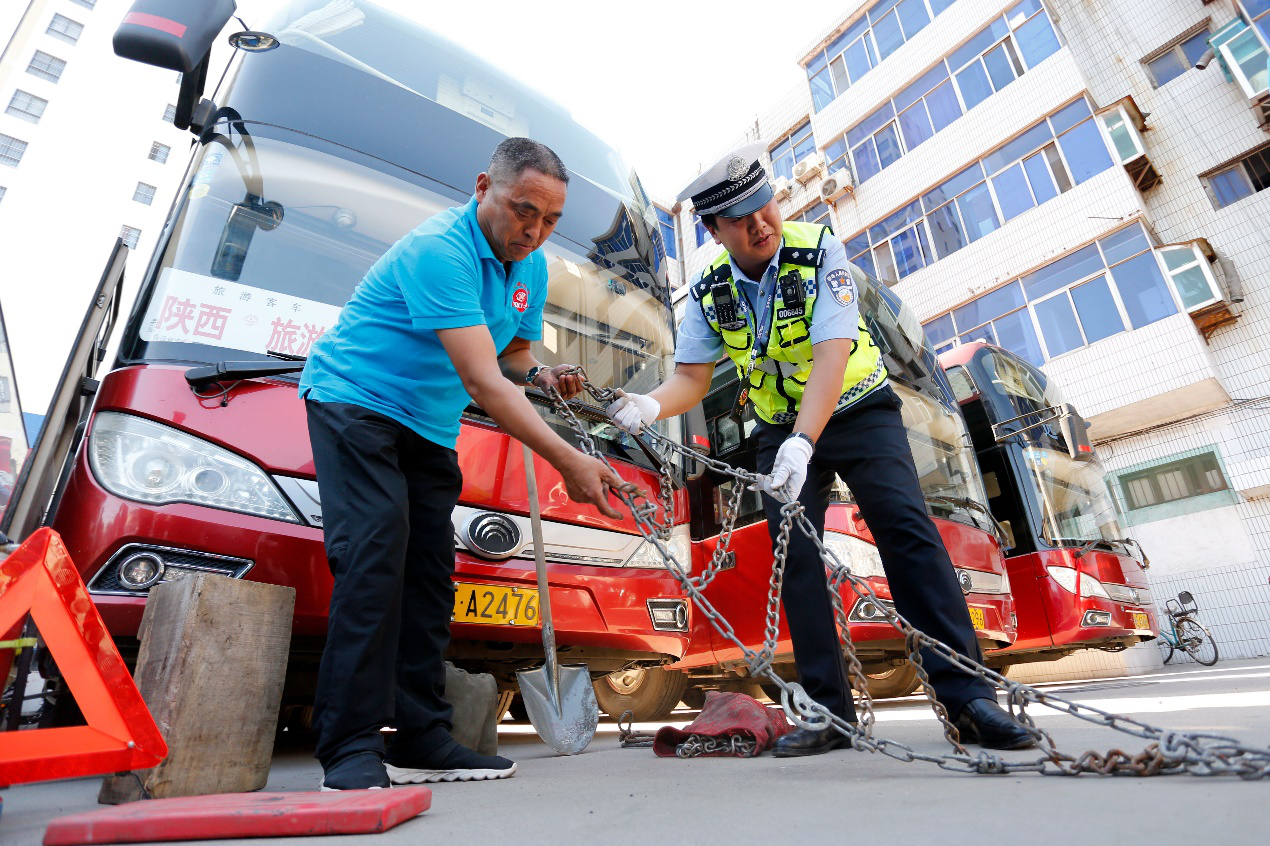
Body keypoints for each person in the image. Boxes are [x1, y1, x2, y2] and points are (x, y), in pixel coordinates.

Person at [608, 142, 1034, 757]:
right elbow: (692, 379)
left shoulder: (818, 250)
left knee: (907, 531)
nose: (761, 225)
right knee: (794, 556)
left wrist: (806, 442)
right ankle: (830, 715)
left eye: (766, 207)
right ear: (712, 230)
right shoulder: (709, 288)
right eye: (741, 219)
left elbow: (834, 351)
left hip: (859, 410)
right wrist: (650, 404)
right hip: (778, 428)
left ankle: (970, 700)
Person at [300, 137, 625, 789]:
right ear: (483, 188)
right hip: (356, 402)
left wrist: (545, 375)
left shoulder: (529, 266)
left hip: (426, 423)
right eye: (522, 210)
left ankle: (421, 735)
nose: (533, 231)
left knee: (429, 575)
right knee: (374, 557)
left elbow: (510, 359)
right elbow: (482, 382)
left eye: (551, 219)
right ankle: (348, 745)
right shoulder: (438, 251)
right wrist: (568, 459)